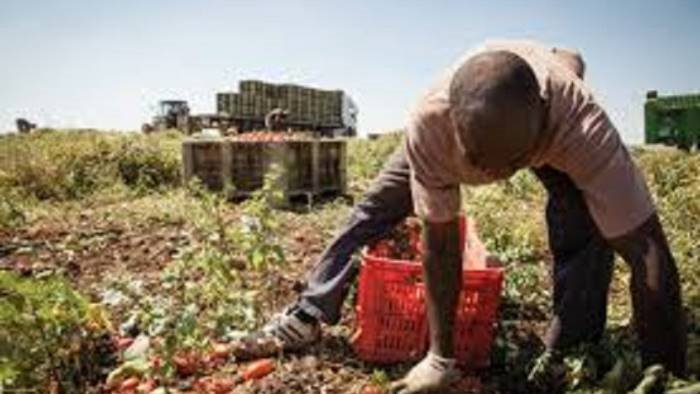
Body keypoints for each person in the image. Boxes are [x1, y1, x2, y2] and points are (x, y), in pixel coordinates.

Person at [238, 40, 687, 394]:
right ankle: (310, 311)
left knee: (585, 226)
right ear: (455, 123)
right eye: (477, 161)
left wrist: (666, 371)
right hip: (476, 118)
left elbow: (648, 250)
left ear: (540, 128)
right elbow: (442, 241)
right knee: (375, 208)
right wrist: (440, 358)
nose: (490, 177)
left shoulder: (581, 126)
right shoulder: (431, 122)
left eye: (508, 165)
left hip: (551, 123)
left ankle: (573, 345)